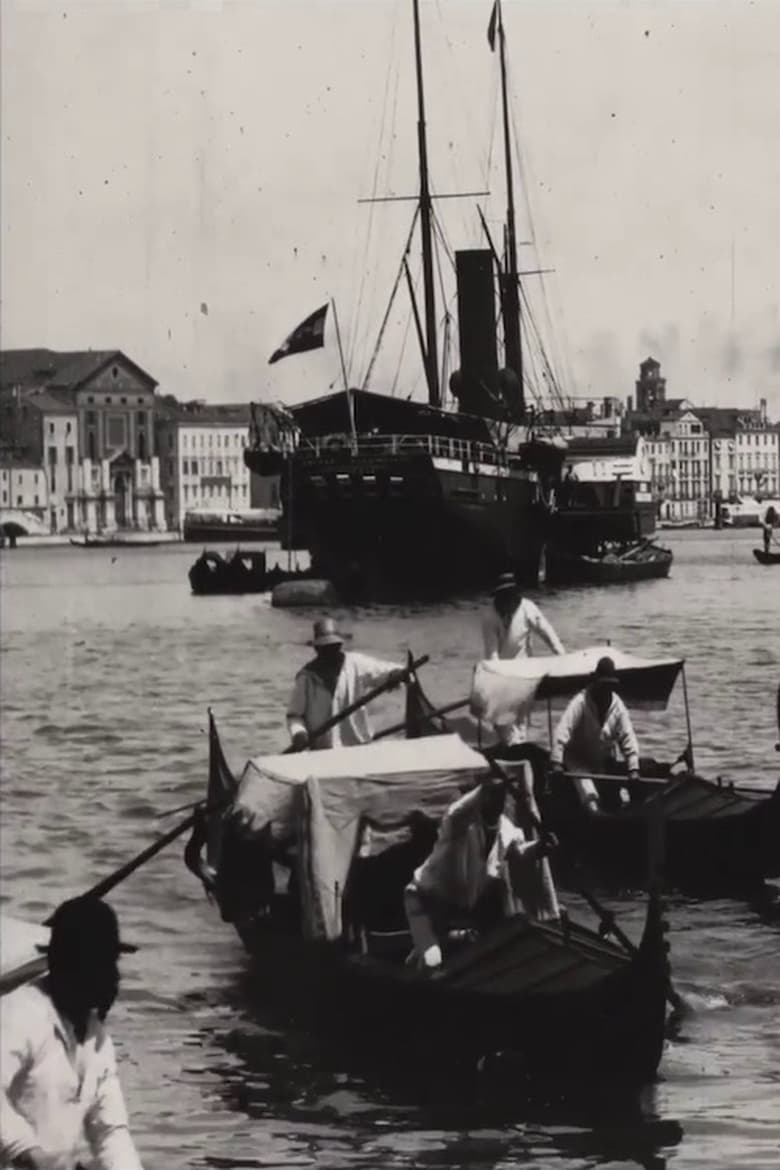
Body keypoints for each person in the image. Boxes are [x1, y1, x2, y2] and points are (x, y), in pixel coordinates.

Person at [0, 896, 144, 1170]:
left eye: (110, 964)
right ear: (64, 964)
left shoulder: (97, 1039)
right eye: (96, 964)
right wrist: (27, 1151)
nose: (111, 976)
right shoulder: (19, 1014)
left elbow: (109, 1133)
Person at [403, 766, 559, 969]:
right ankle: (423, 958)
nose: (497, 801)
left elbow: (519, 853)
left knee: (475, 950)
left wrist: (541, 847)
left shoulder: (505, 828)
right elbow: (461, 807)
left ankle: (420, 951)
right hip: (424, 901)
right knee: (433, 962)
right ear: (480, 796)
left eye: (501, 796)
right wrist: (492, 780)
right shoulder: (458, 823)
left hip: (454, 909)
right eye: (491, 795)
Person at [287, 617, 405, 750]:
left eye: (334, 647)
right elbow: (294, 716)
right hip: (323, 752)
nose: (331, 652)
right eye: (326, 648)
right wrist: (299, 734)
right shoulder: (307, 677)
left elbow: (387, 671)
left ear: (340, 645)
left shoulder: (355, 664)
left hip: (359, 747)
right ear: (317, 649)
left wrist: (396, 674)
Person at [481, 573, 565, 746]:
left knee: (521, 721)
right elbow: (492, 654)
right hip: (500, 675)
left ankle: (519, 748)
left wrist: (563, 659)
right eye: (503, 597)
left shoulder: (528, 608)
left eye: (510, 595)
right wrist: (498, 681)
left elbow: (548, 634)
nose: (508, 601)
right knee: (501, 723)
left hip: (525, 674)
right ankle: (511, 747)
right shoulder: (489, 616)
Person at [549, 655, 640, 813]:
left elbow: (628, 737)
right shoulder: (581, 702)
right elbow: (562, 731)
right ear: (596, 683)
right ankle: (595, 818)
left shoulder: (618, 707)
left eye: (609, 686)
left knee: (620, 798)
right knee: (589, 795)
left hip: (602, 761)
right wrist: (556, 761)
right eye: (603, 685)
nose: (606, 691)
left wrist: (633, 768)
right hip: (577, 759)